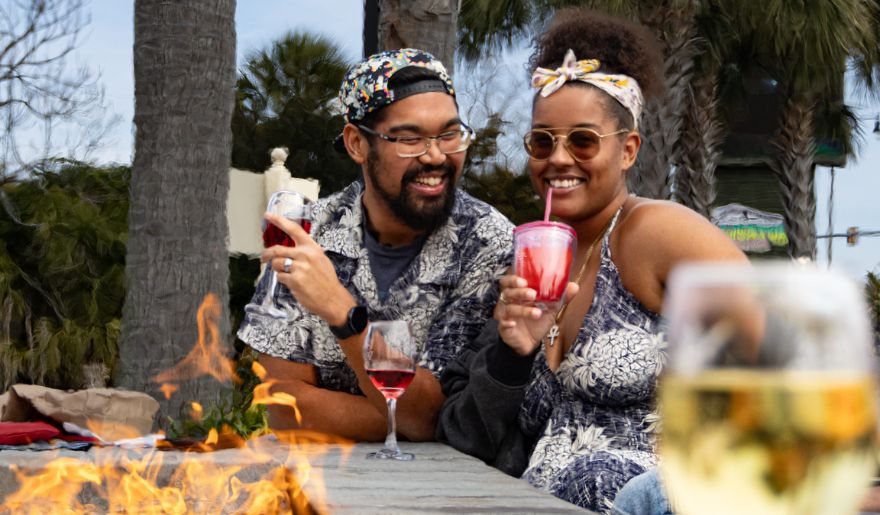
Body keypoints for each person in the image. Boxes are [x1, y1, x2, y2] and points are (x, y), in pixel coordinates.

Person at [436, 9, 747, 513]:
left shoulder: (657, 232)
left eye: (582, 140)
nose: (558, 159)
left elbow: (782, 350)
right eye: (542, 141)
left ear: (628, 150)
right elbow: (470, 435)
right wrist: (512, 353)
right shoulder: (532, 250)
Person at [238, 49, 513, 442]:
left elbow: (429, 417)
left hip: (443, 489)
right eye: (409, 138)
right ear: (356, 144)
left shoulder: (489, 241)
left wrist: (340, 310)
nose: (436, 156)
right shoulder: (306, 232)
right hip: (315, 475)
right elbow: (280, 403)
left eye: (449, 135)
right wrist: (394, 415)